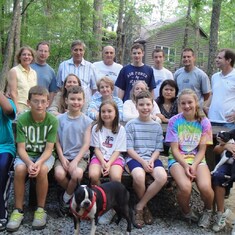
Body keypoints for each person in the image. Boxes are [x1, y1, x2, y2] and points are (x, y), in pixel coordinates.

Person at [6, 86, 58, 232]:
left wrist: (38, 163)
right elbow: (21, 149)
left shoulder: (52, 121)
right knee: (20, 169)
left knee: (41, 170)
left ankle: (40, 210)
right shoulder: (23, 119)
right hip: (26, 155)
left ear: (48, 102)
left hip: (44, 156)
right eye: (35, 101)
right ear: (29, 103)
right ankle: (18, 210)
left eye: (43, 101)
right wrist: (29, 163)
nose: (39, 105)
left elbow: (49, 150)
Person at [165, 88, 214, 228]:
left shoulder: (204, 122)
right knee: (186, 187)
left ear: (196, 103)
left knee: (205, 186)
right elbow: (174, 149)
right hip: (177, 159)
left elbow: (202, 149)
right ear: (179, 104)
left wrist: (193, 165)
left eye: (190, 102)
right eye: (183, 103)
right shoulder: (174, 121)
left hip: (197, 159)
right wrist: (186, 166)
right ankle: (187, 212)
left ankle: (208, 211)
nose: (187, 106)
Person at [125, 90, 167, 229]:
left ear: (152, 106)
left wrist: (151, 160)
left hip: (151, 158)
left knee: (161, 177)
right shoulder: (131, 125)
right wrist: (142, 162)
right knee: (138, 176)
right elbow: (129, 149)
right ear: (136, 106)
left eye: (148, 104)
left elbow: (158, 148)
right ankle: (145, 208)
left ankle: (139, 206)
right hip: (135, 158)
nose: (145, 107)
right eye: (141, 104)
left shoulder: (156, 126)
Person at [54, 86, 92, 216]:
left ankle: (65, 199)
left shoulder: (87, 121)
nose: (76, 102)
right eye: (72, 99)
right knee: (59, 174)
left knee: (76, 174)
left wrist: (75, 161)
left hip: (80, 157)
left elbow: (86, 144)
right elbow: (56, 141)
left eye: (79, 99)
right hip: (63, 155)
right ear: (66, 100)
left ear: (83, 101)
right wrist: (62, 157)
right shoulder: (59, 119)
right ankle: (75, 195)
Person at [89, 100, 126, 224]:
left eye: (109, 111)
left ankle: (111, 207)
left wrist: (109, 163)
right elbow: (96, 149)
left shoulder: (120, 129)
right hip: (99, 157)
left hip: (114, 158)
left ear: (115, 113)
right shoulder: (96, 128)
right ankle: (99, 202)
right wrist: (103, 162)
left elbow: (118, 150)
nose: (106, 114)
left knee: (115, 177)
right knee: (93, 175)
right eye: (103, 111)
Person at [56, 39, 98, 110]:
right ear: (71, 51)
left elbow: (94, 88)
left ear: (84, 51)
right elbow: (59, 86)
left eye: (81, 50)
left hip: (85, 105)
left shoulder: (91, 67)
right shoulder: (63, 66)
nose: (78, 52)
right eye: (75, 50)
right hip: (66, 104)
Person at [0, 91, 16, 231]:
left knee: (2, 169)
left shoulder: (5, 100)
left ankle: (1, 213)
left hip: (4, 147)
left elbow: (9, 111)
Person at [207, 48, 235, 129]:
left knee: (229, 142)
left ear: (229, 60)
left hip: (228, 122)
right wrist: (205, 107)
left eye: (219, 58)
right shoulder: (214, 77)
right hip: (212, 120)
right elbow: (212, 94)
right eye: (216, 57)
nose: (216, 60)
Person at [211, 140, 234, 232]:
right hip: (229, 164)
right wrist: (225, 146)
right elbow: (216, 150)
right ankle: (220, 214)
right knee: (218, 175)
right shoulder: (232, 133)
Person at [7, 46, 37, 113]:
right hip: (19, 107)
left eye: (29, 55)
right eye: (24, 54)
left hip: (31, 108)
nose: (26, 57)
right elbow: (12, 93)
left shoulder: (34, 72)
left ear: (32, 58)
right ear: (19, 57)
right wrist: (17, 110)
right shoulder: (14, 71)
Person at [31, 41, 58, 105]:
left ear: (49, 54)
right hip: (29, 102)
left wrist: (47, 106)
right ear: (36, 52)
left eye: (45, 51)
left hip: (42, 105)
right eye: (41, 50)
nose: (43, 53)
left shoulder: (51, 71)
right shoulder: (28, 67)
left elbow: (52, 92)